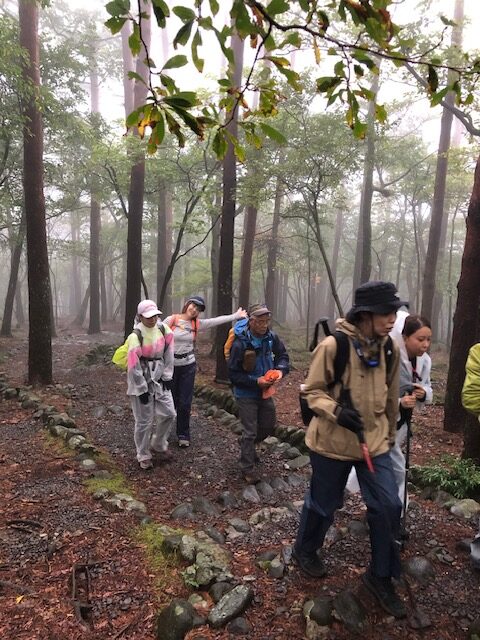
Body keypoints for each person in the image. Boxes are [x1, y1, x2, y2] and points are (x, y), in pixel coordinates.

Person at [294, 281, 407, 619]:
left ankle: (380, 575)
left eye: (394, 312)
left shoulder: (390, 349)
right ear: (365, 315)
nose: (392, 319)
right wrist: (337, 411)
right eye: (386, 313)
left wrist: (389, 435)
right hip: (331, 442)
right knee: (324, 503)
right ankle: (306, 549)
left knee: (388, 505)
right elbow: (311, 390)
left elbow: (389, 398)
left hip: (376, 443)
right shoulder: (334, 346)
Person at [164, 296, 247, 448]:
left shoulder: (196, 324)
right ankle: (163, 433)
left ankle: (183, 434)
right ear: (187, 304)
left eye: (198, 309)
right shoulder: (172, 320)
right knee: (170, 401)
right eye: (193, 306)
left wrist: (235, 316)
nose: (194, 310)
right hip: (170, 366)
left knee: (185, 402)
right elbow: (156, 332)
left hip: (188, 366)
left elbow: (215, 321)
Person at [228, 303, 290, 484]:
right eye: (260, 321)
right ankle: (247, 468)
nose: (264, 325)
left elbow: (283, 356)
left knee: (268, 424)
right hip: (245, 393)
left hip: (265, 391)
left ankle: (248, 447)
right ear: (251, 321)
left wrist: (280, 371)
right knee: (249, 431)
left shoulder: (271, 338)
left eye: (267, 321)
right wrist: (256, 381)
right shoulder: (240, 344)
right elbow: (233, 374)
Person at [389, 311, 432, 516]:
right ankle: (396, 512)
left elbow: (427, 386)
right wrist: (399, 402)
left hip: (402, 424)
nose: (425, 345)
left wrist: (423, 394)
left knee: (388, 466)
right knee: (398, 469)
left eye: (428, 340)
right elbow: (375, 392)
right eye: (420, 339)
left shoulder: (425, 361)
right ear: (405, 337)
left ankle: (388, 510)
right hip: (383, 422)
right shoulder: (390, 357)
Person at [126, 300, 176, 470]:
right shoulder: (135, 336)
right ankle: (143, 454)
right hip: (143, 380)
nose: (153, 319)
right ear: (140, 317)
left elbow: (169, 352)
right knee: (144, 421)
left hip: (160, 378)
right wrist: (140, 388)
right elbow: (133, 364)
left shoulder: (164, 330)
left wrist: (168, 375)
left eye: (155, 316)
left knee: (169, 413)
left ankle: (159, 443)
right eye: (148, 317)